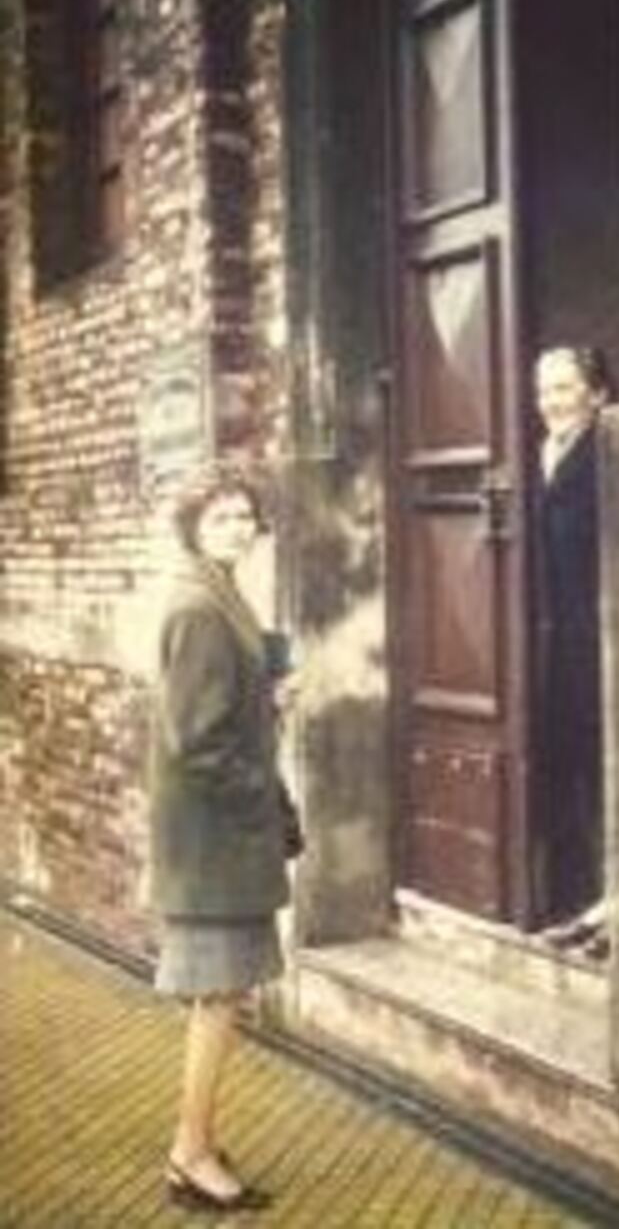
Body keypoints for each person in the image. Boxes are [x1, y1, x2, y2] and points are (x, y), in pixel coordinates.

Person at [148, 462, 300, 1213]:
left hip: (219, 837)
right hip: (215, 841)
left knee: (224, 995)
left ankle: (196, 1139)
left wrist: (270, 695)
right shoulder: (199, 608)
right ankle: (190, 1153)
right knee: (219, 999)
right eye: (221, 520)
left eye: (246, 517)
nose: (238, 529)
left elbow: (225, 706)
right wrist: (260, 801)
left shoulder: (220, 591)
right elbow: (197, 744)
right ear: (193, 528)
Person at [533, 345, 612, 953]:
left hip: (597, 636)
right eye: (544, 391)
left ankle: (611, 909)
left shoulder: (609, 453)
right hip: (553, 641)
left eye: (564, 389)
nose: (552, 402)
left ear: (597, 393)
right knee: (567, 773)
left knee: (602, 770)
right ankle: (580, 903)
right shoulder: (543, 454)